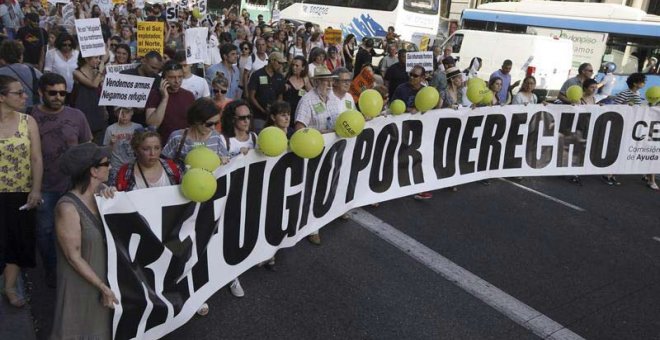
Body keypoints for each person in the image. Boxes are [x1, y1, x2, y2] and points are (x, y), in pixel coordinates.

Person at [51, 142, 117, 339]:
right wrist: (102, 287)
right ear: (93, 171)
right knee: (77, 329)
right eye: (107, 163)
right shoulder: (68, 208)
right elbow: (73, 257)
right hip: (81, 285)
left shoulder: (103, 195)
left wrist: (113, 200)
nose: (111, 167)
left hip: (104, 279)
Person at [32, 73, 92, 288]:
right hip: (44, 187)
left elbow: (87, 147)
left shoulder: (77, 116)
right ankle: (53, 272)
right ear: (41, 92)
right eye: (53, 93)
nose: (58, 97)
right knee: (46, 232)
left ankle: (77, 271)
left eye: (62, 93)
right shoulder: (30, 117)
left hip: (73, 186)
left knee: (79, 232)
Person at [0, 74, 43, 308]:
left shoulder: (28, 121)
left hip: (20, 193)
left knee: (16, 242)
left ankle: (9, 288)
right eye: (18, 92)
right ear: (1, 97)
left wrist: (35, 189)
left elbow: (36, 158)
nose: (25, 96)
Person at [162, 97, 229, 163]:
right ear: (197, 120)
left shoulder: (215, 136)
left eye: (216, 123)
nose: (213, 128)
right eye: (209, 124)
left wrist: (223, 160)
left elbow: (226, 158)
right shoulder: (177, 137)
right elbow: (164, 162)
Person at [145, 61, 195, 144]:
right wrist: (164, 98)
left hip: (184, 145)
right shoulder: (154, 95)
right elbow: (153, 125)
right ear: (164, 79)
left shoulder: (189, 95)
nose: (177, 81)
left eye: (180, 77)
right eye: (172, 77)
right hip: (163, 145)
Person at [247, 52, 286, 130]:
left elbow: (280, 96)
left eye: (282, 64)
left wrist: (276, 109)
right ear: (272, 61)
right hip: (258, 115)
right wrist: (262, 110)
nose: (281, 66)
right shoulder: (257, 74)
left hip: (274, 116)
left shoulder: (280, 77)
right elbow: (251, 96)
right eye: (279, 63)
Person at [72, 54, 106, 144]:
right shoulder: (77, 72)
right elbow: (93, 85)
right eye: (96, 58)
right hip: (83, 107)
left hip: (96, 108)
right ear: (86, 59)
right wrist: (100, 71)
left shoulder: (96, 71)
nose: (98, 60)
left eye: (99, 58)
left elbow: (102, 87)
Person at [103, 107, 142, 183]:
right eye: (121, 112)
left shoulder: (138, 128)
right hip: (116, 168)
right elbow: (106, 152)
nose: (124, 115)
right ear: (115, 114)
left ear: (132, 112)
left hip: (134, 167)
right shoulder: (110, 129)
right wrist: (111, 143)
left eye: (127, 112)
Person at [0, 40, 43, 108]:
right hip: (32, 111)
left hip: (8, 113)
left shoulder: (1, 72)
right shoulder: (34, 71)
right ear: (21, 56)